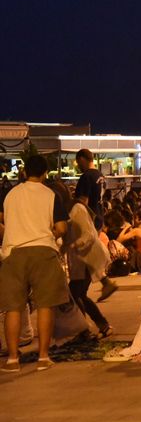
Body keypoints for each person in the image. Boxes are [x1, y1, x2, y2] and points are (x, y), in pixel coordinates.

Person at [0, 155, 69, 372]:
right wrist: (51, 231)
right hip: (43, 251)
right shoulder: (51, 194)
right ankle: (43, 357)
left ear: (24, 172)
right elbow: (62, 228)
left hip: (13, 253)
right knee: (44, 306)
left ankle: (12, 359)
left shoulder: (10, 195)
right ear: (44, 173)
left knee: (12, 308)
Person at [64, 192, 113, 337]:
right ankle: (94, 327)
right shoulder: (69, 210)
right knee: (78, 294)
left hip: (87, 258)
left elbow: (89, 234)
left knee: (75, 293)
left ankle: (87, 329)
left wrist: (73, 245)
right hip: (81, 259)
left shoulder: (77, 209)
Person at [74, 148, 104, 228]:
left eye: (78, 162)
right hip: (99, 217)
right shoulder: (100, 175)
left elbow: (83, 202)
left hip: (90, 220)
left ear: (82, 159)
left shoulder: (86, 176)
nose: (78, 166)